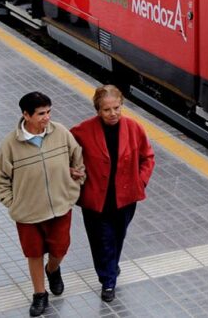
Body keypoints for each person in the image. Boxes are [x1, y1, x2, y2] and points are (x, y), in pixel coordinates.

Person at [0, 92, 86, 317]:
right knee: (34, 253)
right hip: (27, 213)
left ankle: (53, 269)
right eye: (41, 113)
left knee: (60, 249)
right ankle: (39, 294)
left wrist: (76, 182)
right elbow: (0, 178)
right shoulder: (10, 145)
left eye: (49, 112)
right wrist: (13, 203)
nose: (47, 117)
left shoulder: (61, 133)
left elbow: (78, 159)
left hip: (60, 206)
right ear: (26, 115)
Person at [71, 85, 155, 303]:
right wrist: (72, 170)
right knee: (102, 240)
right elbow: (65, 152)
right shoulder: (82, 130)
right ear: (98, 110)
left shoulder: (134, 128)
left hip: (125, 198)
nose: (113, 113)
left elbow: (148, 157)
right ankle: (108, 281)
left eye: (117, 108)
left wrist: (141, 181)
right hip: (95, 199)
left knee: (118, 236)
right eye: (107, 109)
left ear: (122, 105)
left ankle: (110, 267)